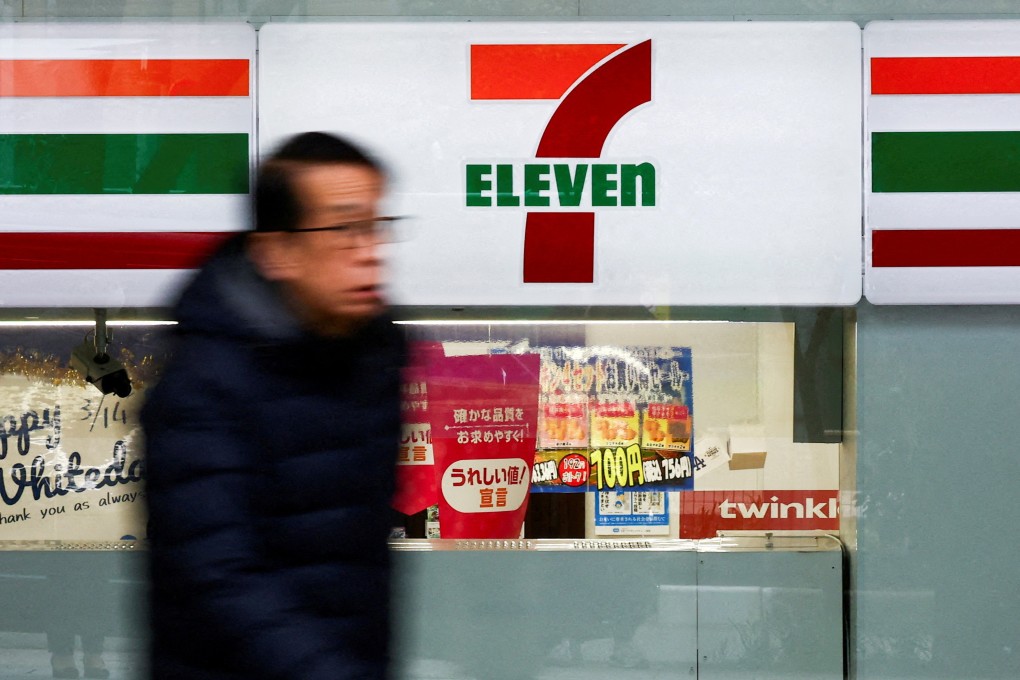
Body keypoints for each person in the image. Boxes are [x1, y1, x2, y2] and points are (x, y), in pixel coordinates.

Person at [141, 132, 406, 679]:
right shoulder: (203, 384)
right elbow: (219, 573)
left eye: (376, 226)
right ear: (275, 251)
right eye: (344, 229)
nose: (370, 251)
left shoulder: (376, 357)